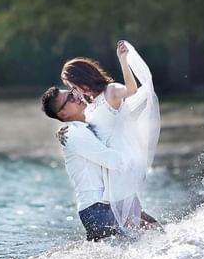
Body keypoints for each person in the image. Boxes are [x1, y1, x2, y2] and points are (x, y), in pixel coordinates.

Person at [61, 40, 161, 228]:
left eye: (72, 85)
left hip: (121, 162)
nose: (74, 90)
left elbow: (131, 90)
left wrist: (123, 61)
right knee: (134, 216)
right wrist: (63, 131)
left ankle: (165, 239)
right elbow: (85, 130)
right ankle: (164, 236)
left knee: (132, 219)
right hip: (112, 164)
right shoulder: (91, 104)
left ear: (82, 79)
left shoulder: (111, 91)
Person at [40, 86, 160, 241]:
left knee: (156, 233)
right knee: (120, 256)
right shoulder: (72, 133)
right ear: (63, 114)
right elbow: (112, 161)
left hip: (114, 201)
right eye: (69, 98)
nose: (75, 97)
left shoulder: (88, 122)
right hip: (97, 208)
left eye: (72, 93)